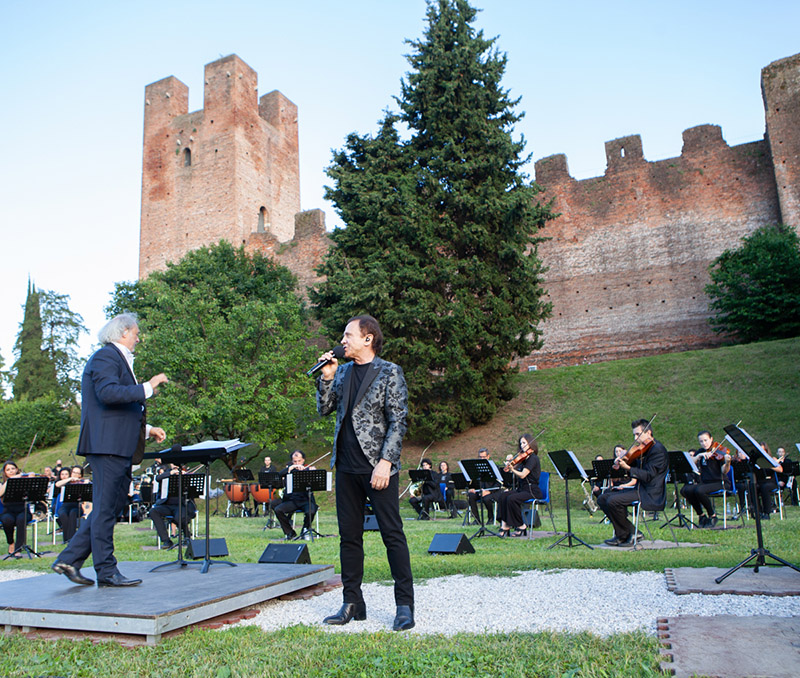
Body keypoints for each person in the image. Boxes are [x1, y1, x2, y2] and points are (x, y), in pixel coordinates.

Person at [51, 313, 167, 587]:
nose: (139, 337)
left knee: (112, 505)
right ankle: (106, 571)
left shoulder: (115, 359)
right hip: (107, 446)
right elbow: (108, 394)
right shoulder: (105, 357)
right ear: (124, 332)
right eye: (136, 332)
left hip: (116, 444)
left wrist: (147, 428)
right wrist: (147, 387)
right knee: (105, 508)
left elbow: (117, 408)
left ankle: (69, 559)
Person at [316, 314, 415, 632]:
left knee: (392, 535)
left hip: (378, 468)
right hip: (346, 467)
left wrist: (386, 461)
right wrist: (327, 377)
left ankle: (404, 606)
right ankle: (353, 603)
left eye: (348, 335)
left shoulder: (389, 372)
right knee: (349, 538)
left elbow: (399, 420)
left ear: (367, 338)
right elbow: (324, 408)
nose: (342, 340)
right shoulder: (342, 371)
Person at [596, 419, 668, 546]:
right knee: (603, 498)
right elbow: (636, 467)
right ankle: (624, 534)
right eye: (634, 434)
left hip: (651, 492)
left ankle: (631, 533)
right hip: (640, 488)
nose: (635, 438)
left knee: (613, 501)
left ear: (648, 433)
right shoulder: (643, 450)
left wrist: (628, 467)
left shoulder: (658, 450)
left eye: (638, 434)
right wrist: (621, 464)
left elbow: (649, 475)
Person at [680, 431, 731, 528]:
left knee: (699, 490)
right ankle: (701, 515)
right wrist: (698, 456)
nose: (704, 443)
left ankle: (712, 515)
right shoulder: (700, 452)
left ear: (711, 439)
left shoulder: (719, 452)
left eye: (706, 440)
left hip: (720, 482)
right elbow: (690, 464)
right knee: (685, 490)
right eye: (701, 441)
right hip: (705, 483)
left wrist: (727, 463)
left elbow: (724, 471)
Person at [497, 435, 543, 537]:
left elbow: (523, 475)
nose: (522, 446)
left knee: (512, 499)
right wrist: (510, 463)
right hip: (522, 489)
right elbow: (511, 470)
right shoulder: (523, 459)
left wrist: (512, 469)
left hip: (532, 491)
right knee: (503, 496)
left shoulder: (533, 459)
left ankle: (521, 525)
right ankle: (505, 524)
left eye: (524, 443)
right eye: (521, 443)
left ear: (530, 444)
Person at [149, 464, 197, 548]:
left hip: (182, 505)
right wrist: (171, 473)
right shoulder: (167, 473)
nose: (175, 466)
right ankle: (166, 540)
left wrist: (185, 477)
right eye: (173, 464)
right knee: (153, 511)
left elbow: (193, 492)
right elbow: (158, 478)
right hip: (167, 505)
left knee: (179, 516)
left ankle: (187, 536)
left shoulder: (186, 474)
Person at [274, 450, 318, 540]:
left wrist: (313, 472)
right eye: (295, 461)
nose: (297, 463)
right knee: (278, 510)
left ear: (303, 460)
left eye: (299, 461)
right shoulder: (290, 471)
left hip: (306, 500)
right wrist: (291, 468)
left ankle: (305, 529)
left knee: (311, 510)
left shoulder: (308, 470)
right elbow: (278, 475)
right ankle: (290, 532)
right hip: (292, 501)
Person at [0, 461, 32, 557]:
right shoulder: (3, 484)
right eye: (8, 470)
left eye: (13, 469)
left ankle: (18, 548)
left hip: (23, 509)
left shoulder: (23, 481)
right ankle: (11, 543)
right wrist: (10, 480)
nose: (11, 471)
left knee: (21, 519)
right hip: (8, 511)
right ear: (5, 473)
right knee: (7, 520)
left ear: (17, 469)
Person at [466, 448, 503, 524]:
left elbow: (499, 483)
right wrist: (472, 488)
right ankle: (477, 520)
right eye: (480, 457)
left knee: (486, 498)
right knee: (471, 495)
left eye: (484, 457)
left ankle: (491, 518)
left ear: (488, 456)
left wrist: (488, 491)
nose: (482, 459)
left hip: (493, 492)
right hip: (481, 491)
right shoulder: (477, 468)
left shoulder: (495, 467)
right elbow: (475, 482)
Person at [55, 465, 90, 543]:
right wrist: (69, 479)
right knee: (63, 514)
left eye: (77, 473)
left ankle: (72, 539)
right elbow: (57, 484)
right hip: (65, 506)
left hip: (77, 506)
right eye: (74, 472)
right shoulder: (67, 482)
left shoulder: (81, 482)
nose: (75, 474)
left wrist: (86, 483)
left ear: (80, 475)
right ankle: (66, 538)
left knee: (73, 513)